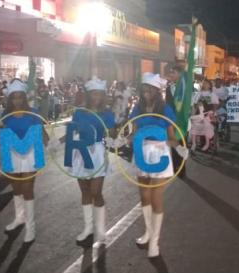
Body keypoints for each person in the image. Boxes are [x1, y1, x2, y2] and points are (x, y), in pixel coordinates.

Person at [127, 73, 188, 258]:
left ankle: (155, 241)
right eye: (144, 88)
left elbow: (171, 137)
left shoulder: (165, 109)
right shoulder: (137, 108)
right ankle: (148, 232)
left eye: (149, 88)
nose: (146, 91)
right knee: (144, 195)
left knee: (155, 195)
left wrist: (179, 148)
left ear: (156, 90)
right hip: (141, 152)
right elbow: (134, 133)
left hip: (159, 153)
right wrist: (125, 139)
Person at [0, 79, 48, 243]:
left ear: (24, 98)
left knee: (27, 188)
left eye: (20, 97)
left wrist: (49, 143)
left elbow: (42, 134)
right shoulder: (5, 115)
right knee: (16, 188)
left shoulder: (33, 112)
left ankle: (30, 227)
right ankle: (19, 218)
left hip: (30, 154)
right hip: (12, 153)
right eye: (14, 97)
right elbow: (0, 134)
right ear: (10, 99)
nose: (17, 100)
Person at [71, 78, 116, 244]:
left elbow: (111, 132)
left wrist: (112, 140)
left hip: (97, 152)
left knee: (96, 192)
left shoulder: (107, 113)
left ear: (103, 95)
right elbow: (72, 131)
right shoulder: (79, 112)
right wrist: (56, 143)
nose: (96, 97)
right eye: (93, 93)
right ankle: (88, 228)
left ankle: (100, 229)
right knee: (84, 192)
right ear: (89, 95)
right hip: (80, 152)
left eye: (99, 94)